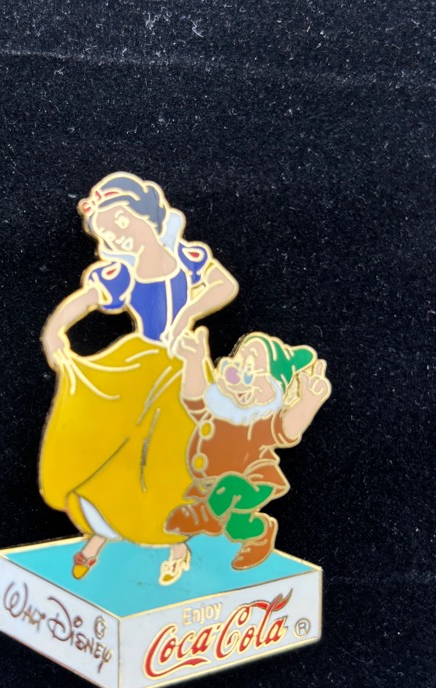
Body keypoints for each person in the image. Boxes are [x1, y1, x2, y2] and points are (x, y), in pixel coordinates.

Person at [39, 173, 238, 584]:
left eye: (119, 223)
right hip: (140, 365)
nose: (116, 236)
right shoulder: (122, 273)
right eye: (107, 232)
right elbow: (84, 300)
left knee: (181, 451)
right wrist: (54, 330)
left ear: (144, 214)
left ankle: (176, 539)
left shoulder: (188, 256)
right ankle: (101, 532)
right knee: (119, 446)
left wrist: (188, 313)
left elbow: (224, 285)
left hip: (183, 366)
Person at [166, 327, 331, 569]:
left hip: (253, 482)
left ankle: (205, 516)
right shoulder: (218, 410)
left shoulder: (259, 423)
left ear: (275, 389)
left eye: (254, 371)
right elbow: (194, 398)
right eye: (240, 365)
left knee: (230, 485)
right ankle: (260, 533)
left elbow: (287, 430)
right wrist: (194, 361)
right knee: (236, 526)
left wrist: (308, 402)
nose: (242, 377)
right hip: (209, 485)